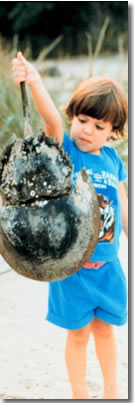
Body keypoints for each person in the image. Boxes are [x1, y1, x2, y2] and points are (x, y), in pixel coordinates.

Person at [12, 52, 128, 399]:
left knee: (106, 332)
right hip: (72, 269)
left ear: (113, 132)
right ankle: (80, 395)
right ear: (73, 117)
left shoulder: (111, 159)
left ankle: (111, 391)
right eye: (82, 120)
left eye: (99, 126)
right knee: (78, 335)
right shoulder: (67, 152)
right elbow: (51, 123)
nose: (87, 131)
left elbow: (123, 203)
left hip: (108, 267)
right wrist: (34, 81)